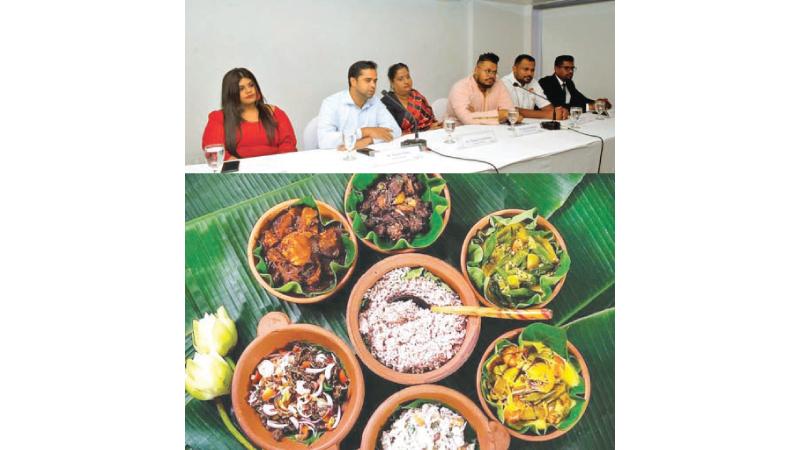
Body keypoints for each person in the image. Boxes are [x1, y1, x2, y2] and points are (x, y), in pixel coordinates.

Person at [202, 68, 297, 160]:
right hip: (238, 173)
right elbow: (213, 150)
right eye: (241, 89)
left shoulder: (275, 112)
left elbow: (288, 144)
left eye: (251, 85)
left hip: (277, 170)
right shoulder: (218, 118)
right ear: (231, 94)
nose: (249, 91)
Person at [317, 60, 401, 149]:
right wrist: (364, 132)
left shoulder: (375, 101)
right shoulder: (331, 103)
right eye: (368, 80)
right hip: (340, 158)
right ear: (353, 81)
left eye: (375, 81)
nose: (373, 85)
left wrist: (368, 141)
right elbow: (324, 141)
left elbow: (395, 131)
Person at [445, 52, 522, 126]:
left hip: (489, 133)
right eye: (487, 71)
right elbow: (467, 119)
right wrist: (501, 114)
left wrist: (475, 115)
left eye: (494, 72)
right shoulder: (460, 87)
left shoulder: (498, 83)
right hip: (458, 133)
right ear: (476, 70)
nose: (491, 76)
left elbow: (512, 113)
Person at [501, 54, 568, 120]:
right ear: (514, 69)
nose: (529, 73)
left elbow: (546, 106)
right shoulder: (504, 83)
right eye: (526, 69)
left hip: (530, 126)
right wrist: (547, 114)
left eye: (532, 70)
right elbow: (511, 110)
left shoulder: (533, 82)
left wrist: (560, 113)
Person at [381, 63, 442, 134]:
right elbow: (392, 133)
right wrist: (426, 131)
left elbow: (430, 121)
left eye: (408, 77)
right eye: (401, 79)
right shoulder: (388, 102)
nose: (406, 81)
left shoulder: (417, 96)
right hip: (404, 142)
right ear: (392, 83)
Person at [539, 55, 612, 112]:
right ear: (556, 68)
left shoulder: (569, 82)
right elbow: (559, 106)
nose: (571, 71)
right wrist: (589, 107)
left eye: (572, 68)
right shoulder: (546, 82)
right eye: (566, 68)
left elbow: (581, 98)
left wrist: (597, 102)